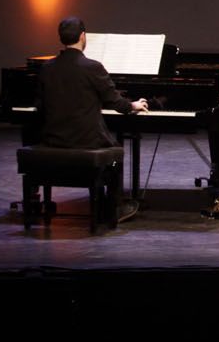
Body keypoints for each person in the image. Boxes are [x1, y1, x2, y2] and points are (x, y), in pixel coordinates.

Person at [36, 16, 147, 223]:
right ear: (82, 36)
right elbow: (114, 101)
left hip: (53, 140)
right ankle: (114, 207)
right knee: (116, 150)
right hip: (86, 141)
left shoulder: (47, 68)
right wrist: (133, 105)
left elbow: (40, 108)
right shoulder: (92, 67)